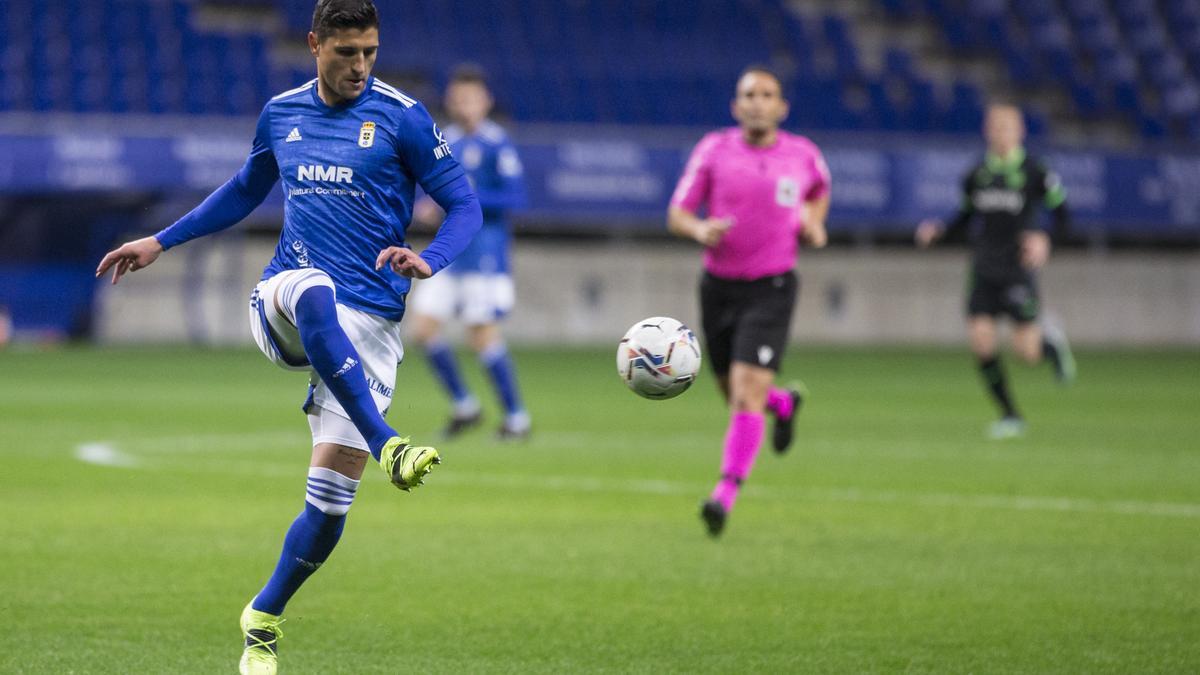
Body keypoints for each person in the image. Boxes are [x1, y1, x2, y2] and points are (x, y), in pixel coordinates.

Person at [94, 2, 482, 673]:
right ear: (314, 45)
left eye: (369, 52)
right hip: (285, 300)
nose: (360, 66)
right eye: (346, 53)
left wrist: (431, 258)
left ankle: (262, 617)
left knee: (329, 507)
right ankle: (390, 441)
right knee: (312, 288)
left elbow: (465, 205)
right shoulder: (282, 113)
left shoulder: (404, 117)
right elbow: (247, 187)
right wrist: (161, 240)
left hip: (371, 324)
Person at [668, 66, 830, 538]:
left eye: (767, 95)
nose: (758, 102)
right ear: (736, 106)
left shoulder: (803, 155)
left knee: (744, 391)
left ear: (782, 106)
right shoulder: (713, 150)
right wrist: (700, 229)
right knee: (734, 394)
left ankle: (724, 495)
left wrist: (813, 221)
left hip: (772, 286)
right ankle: (782, 404)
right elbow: (678, 212)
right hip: (718, 286)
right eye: (749, 95)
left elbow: (818, 193)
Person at [916, 102, 1075, 440]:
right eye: (995, 127)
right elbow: (964, 220)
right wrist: (938, 233)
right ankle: (1010, 415)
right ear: (987, 131)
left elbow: (1064, 215)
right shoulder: (977, 175)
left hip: (1018, 270)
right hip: (984, 268)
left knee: (1026, 353)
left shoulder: (1036, 171)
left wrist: (1045, 238)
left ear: (1020, 132)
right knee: (982, 342)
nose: (1000, 134)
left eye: (1007, 127)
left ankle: (1051, 344)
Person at [408, 66, 531, 440]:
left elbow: (517, 198)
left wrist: (467, 200)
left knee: (482, 336)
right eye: (459, 99)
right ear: (450, 101)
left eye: (472, 99)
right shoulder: (448, 141)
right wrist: (432, 206)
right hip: (449, 253)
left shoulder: (499, 143)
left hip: (485, 255)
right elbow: (438, 190)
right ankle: (465, 405)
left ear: (486, 101)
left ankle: (516, 418)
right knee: (423, 329)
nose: (466, 106)